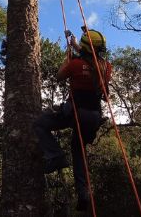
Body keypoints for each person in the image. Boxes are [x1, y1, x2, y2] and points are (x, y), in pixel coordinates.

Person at [34, 28, 112, 211]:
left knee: (40, 124)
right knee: (78, 152)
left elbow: (60, 75)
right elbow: (90, 62)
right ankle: (83, 192)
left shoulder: (75, 64)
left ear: (84, 49)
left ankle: (56, 156)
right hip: (93, 117)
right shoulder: (106, 68)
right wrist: (76, 45)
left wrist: (68, 56)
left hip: (74, 113)